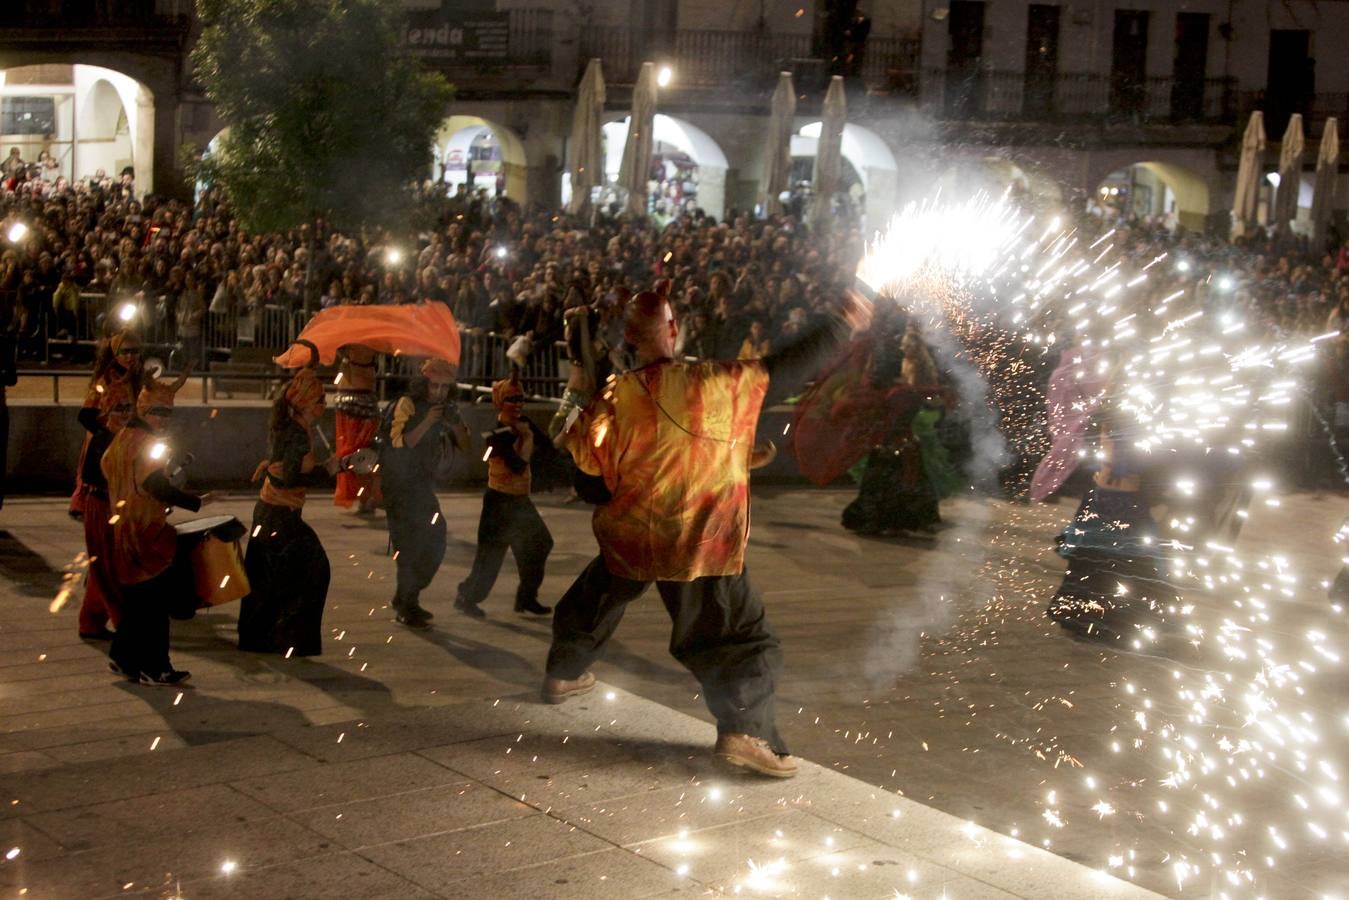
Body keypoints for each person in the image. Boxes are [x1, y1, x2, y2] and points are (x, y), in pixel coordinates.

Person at [544, 287, 869, 778]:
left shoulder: (615, 395)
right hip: (701, 538)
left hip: (633, 535)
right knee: (741, 636)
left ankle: (563, 672)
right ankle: (745, 731)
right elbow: (785, 368)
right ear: (674, 330)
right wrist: (843, 321)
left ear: (629, 338)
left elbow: (588, 481)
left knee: (600, 590)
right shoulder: (715, 382)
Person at [102, 373, 216, 685]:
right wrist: (196, 502)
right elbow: (156, 485)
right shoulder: (146, 443)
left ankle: (123, 658)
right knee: (153, 603)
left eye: (168, 413)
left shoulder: (121, 439)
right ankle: (155, 667)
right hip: (145, 534)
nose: (163, 420)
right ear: (143, 410)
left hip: (122, 532)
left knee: (138, 601)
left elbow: (112, 473)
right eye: (158, 412)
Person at [238, 367, 338, 656]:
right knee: (314, 570)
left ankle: (265, 638)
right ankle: (289, 638)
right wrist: (327, 471)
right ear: (304, 403)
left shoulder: (293, 427)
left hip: (273, 513)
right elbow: (291, 476)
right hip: (279, 517)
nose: (324, 405)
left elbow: (283, 469)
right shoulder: (296, 434)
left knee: (272, 578)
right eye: (319, 400)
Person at [453, 374, 554, 619]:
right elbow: (519, 465)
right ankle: (466, 596)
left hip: (520, 501)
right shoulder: (494, 435)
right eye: (511, 399)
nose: (518, 403)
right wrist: (528, 438)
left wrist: (574, 426)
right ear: (500, 402)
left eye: (520, 398)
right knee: (490, 559)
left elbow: (550, 448)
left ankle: (527, 597)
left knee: (540, 544)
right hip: (499, 504)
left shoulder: (525, 422)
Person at [381, 357, 470, 628]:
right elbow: (399, 443)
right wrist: (427, 422)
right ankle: (407, 604)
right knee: (408, 546)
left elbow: (466, 445)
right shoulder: (406, 404)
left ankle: (407, 595)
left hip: (421, 484)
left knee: (435, 538)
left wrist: (453, 422)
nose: (439, 392)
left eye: (445, 387)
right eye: (435, 386)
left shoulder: (446, 408)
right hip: (398, 483)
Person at [75, 332, 144, 639]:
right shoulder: (106, 380)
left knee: (106, 560)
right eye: (125, 351)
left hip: (125, 458)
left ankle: (91, 621)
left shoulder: (136, 379)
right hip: (105, 462)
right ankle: (123, 623)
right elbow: (86, 414)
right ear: (114, 352)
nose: (131, 356)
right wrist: (110, 434)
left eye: (135, 351)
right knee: (106, 561)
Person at [332, 344, 381, 514]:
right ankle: (369, 497)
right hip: (361, 405)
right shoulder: (371, 345)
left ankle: (367, 497)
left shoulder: (348, 347)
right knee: (364, 455)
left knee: (357, 455)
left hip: (349, 406)